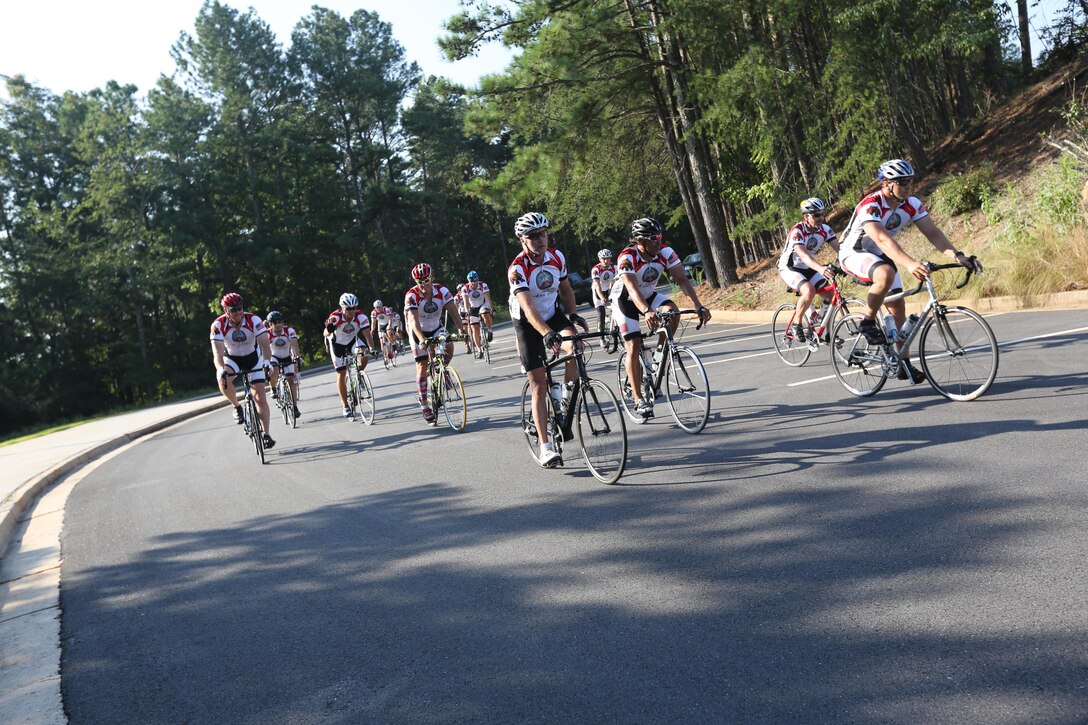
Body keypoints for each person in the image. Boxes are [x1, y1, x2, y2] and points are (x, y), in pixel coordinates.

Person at [839, 158, 983, 383]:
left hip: (881, 253)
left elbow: (933, 233)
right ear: (887, 184)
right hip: (853, 252)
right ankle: (867, 321)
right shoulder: (871, 205)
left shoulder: (912, 203)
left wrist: (958, 256)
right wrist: (909, 264)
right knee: (885, 274)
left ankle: (903, 363)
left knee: (897, 307)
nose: (908, 186)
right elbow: (881, 238)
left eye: (910, 181)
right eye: (902, 182)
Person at [611, 217, 710, 421]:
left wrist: (698, 304)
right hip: (625, 299)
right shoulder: (627, 257)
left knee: (672, 312)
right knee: (634, 345)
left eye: (660, 236)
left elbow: (682, 280)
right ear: (641, 241)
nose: (659, 241)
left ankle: (659, 354)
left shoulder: (665, 252)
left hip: (647, 294)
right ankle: (639, 399)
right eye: (654, 238)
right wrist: (647, 311)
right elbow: (631, 288)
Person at [508, 212, 587, 467]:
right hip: (527, 322)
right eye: (533, 236)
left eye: (543, 234)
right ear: (523, 240)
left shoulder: (557, 257)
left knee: (575, 344)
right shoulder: (517, 268)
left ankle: (565, 392)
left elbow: (565, 290)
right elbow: (528, 307)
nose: (540, 239)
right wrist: (546, 334)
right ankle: (545, 447)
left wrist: (573, 315)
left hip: (552, 314)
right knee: (539, 385)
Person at [210, 292, 275, 449]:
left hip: (253, 358)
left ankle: (266, 434)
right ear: (226, 311)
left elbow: (265, 345)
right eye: (234, 310)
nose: (238, 312)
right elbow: (217, 353)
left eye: (240, 308)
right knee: (223, 381)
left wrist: (267, 361)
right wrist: (220, 370)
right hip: (232, 359)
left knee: (260, 396)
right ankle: (237, 406)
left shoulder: (253, 320)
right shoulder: (217, 325)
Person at [404, 263, 468, 424]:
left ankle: (441, 371)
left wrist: (462, 330)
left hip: (435, 327)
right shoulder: (412, 295)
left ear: (431, 278)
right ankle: (424, 403)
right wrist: (421, 340)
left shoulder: (442, 291)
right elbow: (413, 320)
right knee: (422, 364)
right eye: (420, 282)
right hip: (417, 330)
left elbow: (453, 311)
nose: (423, 285)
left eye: (426, 280)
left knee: (449, 345)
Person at [778, 198, 840, 341]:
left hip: (808, 267)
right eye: (816, 215)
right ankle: (797, 324)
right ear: (806, 216)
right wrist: (821, 269)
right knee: (809, 290)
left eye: (822, 214)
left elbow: (839, 249)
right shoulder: (797, 231)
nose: (821, 218)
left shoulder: (825, 230)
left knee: (831, 293)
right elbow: (804, 256)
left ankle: (826, 333)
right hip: (790, 268)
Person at [324, 293, 375, 417]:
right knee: (341, 373)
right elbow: (325, 333)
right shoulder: (335, 317)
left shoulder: (361, 316)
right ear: (342, 308)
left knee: (364, 353)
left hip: (352, 341)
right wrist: (329, 329)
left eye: (354, 308)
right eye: (349, 309)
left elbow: (367, 334)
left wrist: (372, 348)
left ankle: (359, 374)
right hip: (337, 344)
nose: (352, 311)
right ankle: (345, 405)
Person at [265, 310, 302, 419]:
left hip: (286, 357)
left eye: (280, 321)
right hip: (274, 357)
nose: (278, 324)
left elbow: (294, 344)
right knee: (275, 367)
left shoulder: (289, 330)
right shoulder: (267, 334)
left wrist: (296, 357)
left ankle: (295, 407)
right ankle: (273, 388)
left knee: (291, 380)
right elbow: (265, 349)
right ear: (270, 324)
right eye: (275, 322)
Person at [461, 270, 495, 357]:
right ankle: (479, 350)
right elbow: (466, 302)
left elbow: (487, 298)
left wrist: (491, 309)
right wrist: (467, 312)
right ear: (469, 281)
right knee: (474, 329)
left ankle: (490, 330)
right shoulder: (465, 288)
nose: (474, 283)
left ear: (477, 280)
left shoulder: (483, 285)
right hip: (472, 308)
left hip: (482, 304)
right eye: (471, 281)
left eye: (475, 280)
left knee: (484, 313)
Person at [590, 248, 617, 334]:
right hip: (598, 291)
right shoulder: (596, 270)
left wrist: (611, 293)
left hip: (609, 289)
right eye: (603, 258)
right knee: (601, 314)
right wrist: (602, 297)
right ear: (599, 259)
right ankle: (601, 337)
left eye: (607, 258)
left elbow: (614, 282)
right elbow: (597, 285)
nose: (605, 261)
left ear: (610, 258)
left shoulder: (614, 268)